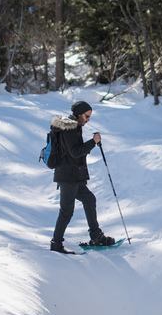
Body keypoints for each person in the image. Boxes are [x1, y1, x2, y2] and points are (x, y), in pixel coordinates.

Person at [49, 100, 116, 254]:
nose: (88, 119)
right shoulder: (70, 128)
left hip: (73, 175)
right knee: (66, 211)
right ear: (79, 114)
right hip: (67, 176)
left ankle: (96, 236)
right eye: (87, 116)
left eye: (89, 117)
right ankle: (56, 244)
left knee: (89, 199)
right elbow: (75, 152)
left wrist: (90, 143)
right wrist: (93, 142)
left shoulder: (74, 126)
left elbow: (75, 152)